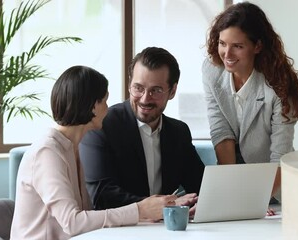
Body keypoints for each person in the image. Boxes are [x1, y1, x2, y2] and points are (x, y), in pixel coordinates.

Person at [10, 66, 177, 239]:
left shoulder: (72, 147)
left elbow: (87, 217)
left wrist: (144, 214)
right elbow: (72, 222)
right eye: (104, 101)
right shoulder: (47, 152)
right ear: (92, 106)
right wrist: (139, 210)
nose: (107, 108)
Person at [202, 2, 298, 211]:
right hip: (232, 177)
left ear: (257, 46)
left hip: (273, 184)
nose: (227, 54)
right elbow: (220, 129)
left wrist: (254, 200)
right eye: (222, 43)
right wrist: (233, 194)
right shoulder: (211, 70)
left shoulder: (279, 86)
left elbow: (280, 156)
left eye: (238, 46)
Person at [79, 47, 205, 214]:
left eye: (156, 90)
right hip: (117, 231)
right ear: (130, 83)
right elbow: (101, 196)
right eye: (138, 88)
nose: (145, 99)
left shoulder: (179, 132)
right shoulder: (102, 126)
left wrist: (201, 204)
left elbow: (202, 188)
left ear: (172, 91)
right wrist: (165, 205)